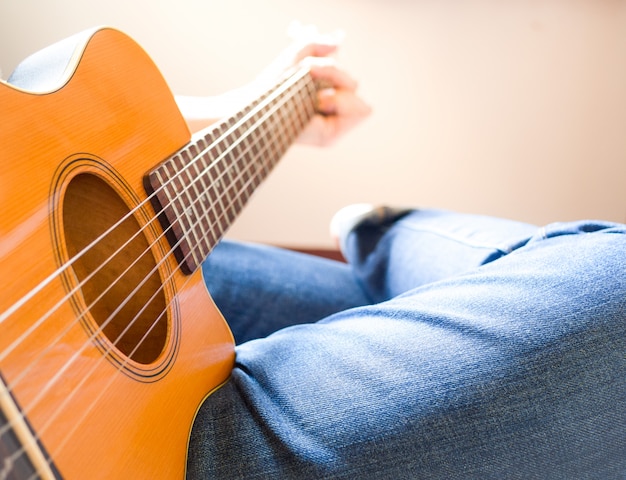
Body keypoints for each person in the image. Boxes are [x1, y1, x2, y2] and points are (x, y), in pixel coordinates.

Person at [177, 31, 626, 479]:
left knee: (412, 305)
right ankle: (377, 232)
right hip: (165, 441)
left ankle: (377, 237)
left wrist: (236, 114)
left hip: (159, 269)